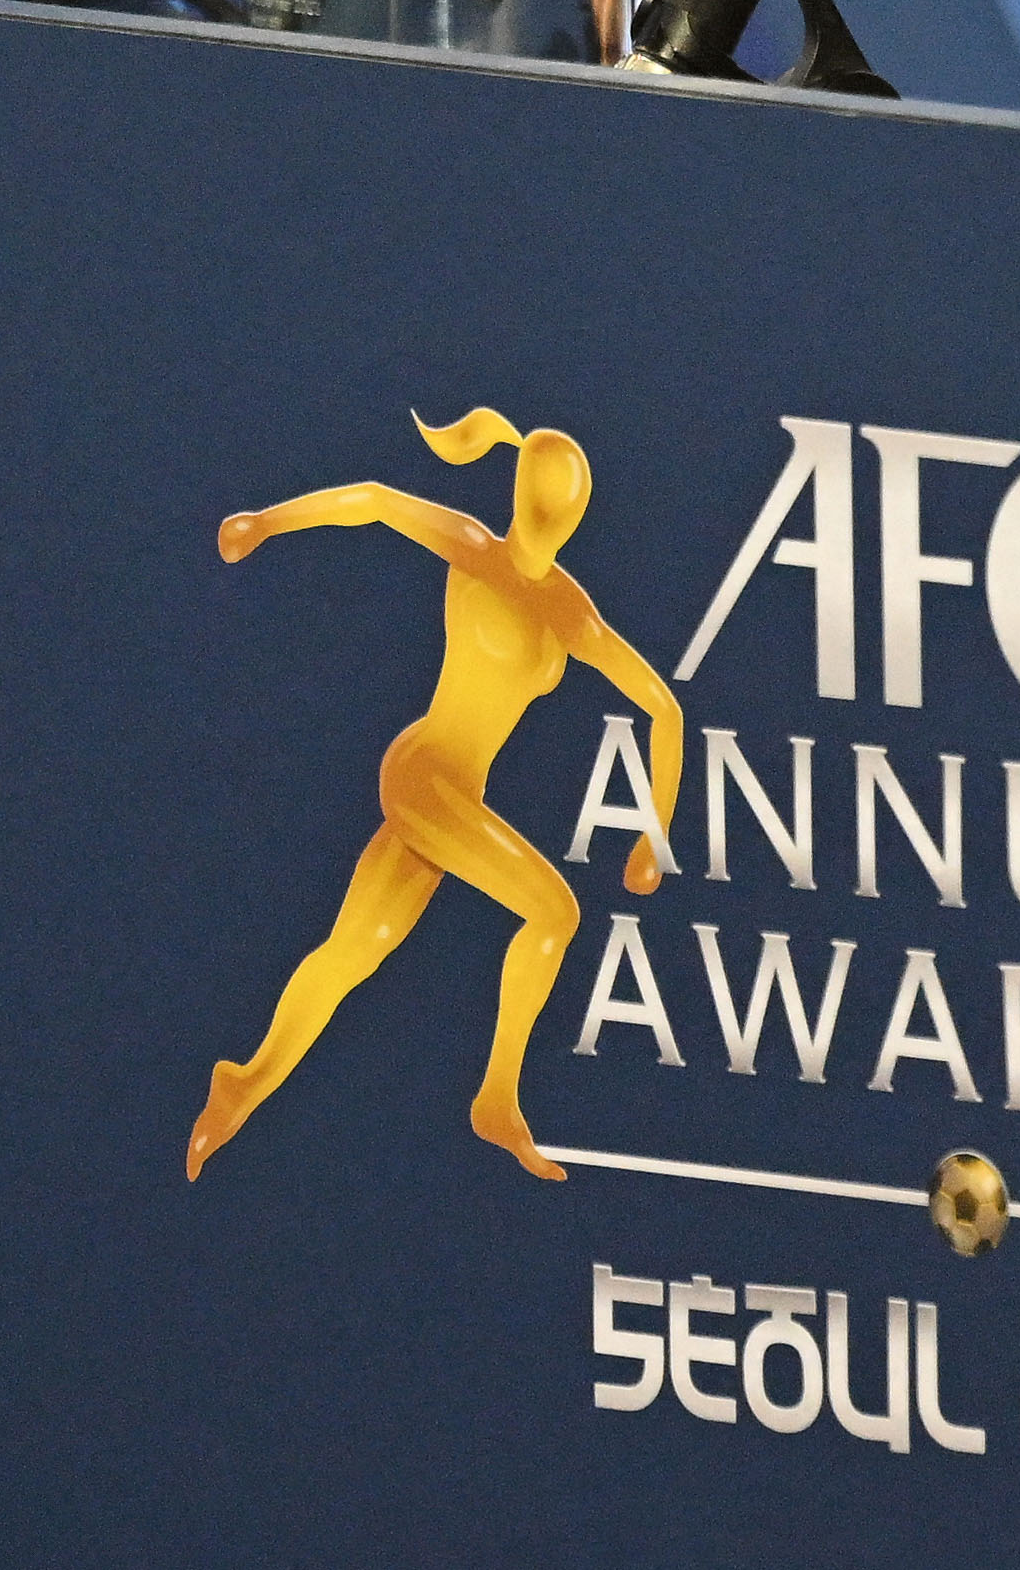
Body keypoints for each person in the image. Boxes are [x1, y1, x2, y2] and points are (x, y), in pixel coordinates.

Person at [185, 404, 683, 1181]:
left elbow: (663, 709)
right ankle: (496, 1098)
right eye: (546, 496)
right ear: (520, 496)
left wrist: (656, 834)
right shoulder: (475, 553)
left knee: (355, 949)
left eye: (568, 503)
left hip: (455, 800)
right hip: (426, 774)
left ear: (578, 515)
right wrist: (265, 522)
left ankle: (245, 1082)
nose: (554, 514)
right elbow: (379, 501)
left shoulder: (569, 612)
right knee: (554, 910)